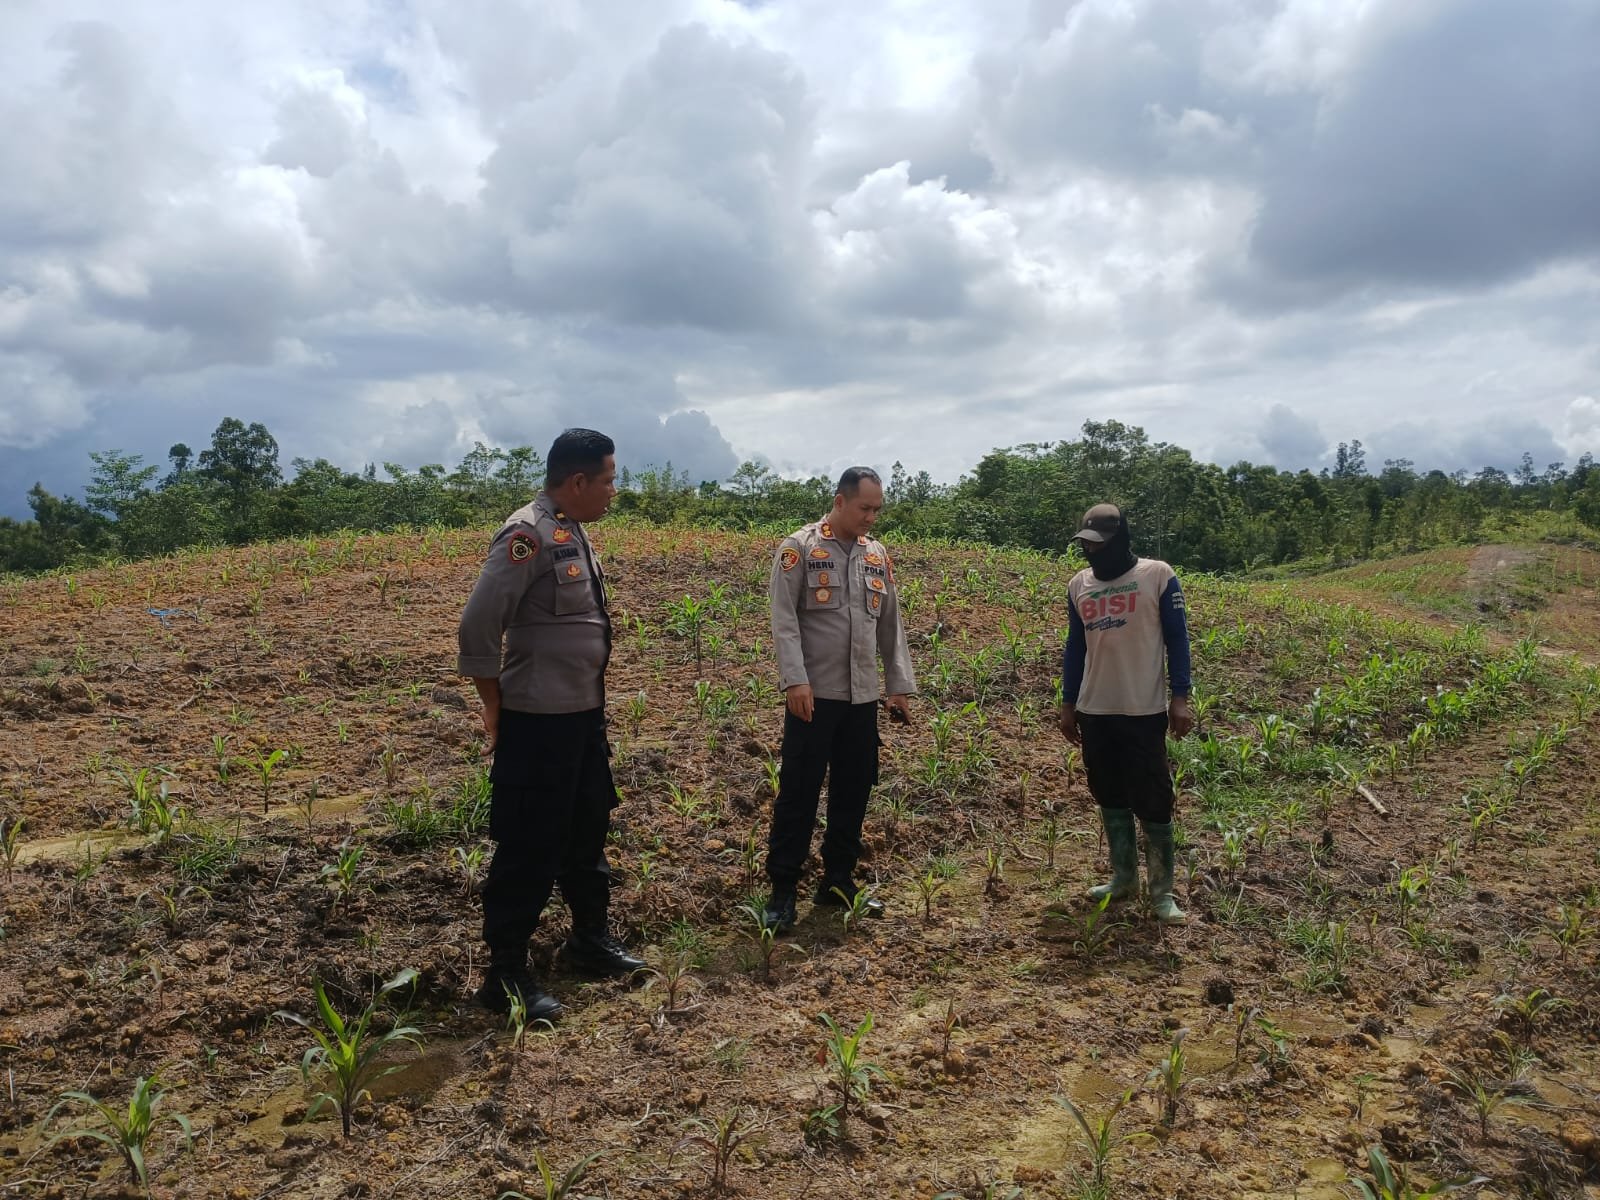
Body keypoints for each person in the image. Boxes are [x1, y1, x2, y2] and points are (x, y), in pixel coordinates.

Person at [457, 428, 644, 1020]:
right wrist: (494, 705)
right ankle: (505, 973)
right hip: (537, 724)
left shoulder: (572, 530)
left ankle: (589, 939)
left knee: (588, 830)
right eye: (609, 479)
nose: (615, 490)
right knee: (529, 847)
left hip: (582, 717)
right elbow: (476, 629)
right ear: (578, 481)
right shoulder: (526, 535)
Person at [763, 467, 917, 931]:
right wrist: (795, 680)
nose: (872, 517)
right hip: (814, 696)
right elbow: (784, 617)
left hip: (861, 698)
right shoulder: (801, 547)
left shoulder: (876, 555)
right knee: (799, 793)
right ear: (840, 501)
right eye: (864, 508)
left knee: (854, 789)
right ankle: (783, 889)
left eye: (877, 509)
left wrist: (898, 686)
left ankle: (837, 880)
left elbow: (890, 623)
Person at [1057, 503, 1194, 925]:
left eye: (1099, 545)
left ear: (1121, 540)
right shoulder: (1078, 584)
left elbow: (1178, 639)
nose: (1092, 553)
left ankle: (1162, 892)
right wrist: (1068, 703)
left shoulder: (1157, 576)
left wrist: (1181, 697)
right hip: (1095, 710)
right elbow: (1075, 647)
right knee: (1109, 793)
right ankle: (1123, 879)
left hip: (1142, 708)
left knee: (1153, 798)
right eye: (1086, 545)